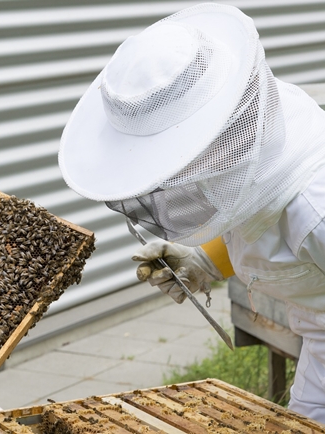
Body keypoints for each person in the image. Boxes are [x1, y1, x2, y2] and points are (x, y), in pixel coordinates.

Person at [58, 3, 325, 422]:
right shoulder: (248, 160)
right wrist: (205, 260)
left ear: (216, 135)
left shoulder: (316, 212)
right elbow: (255, 221)